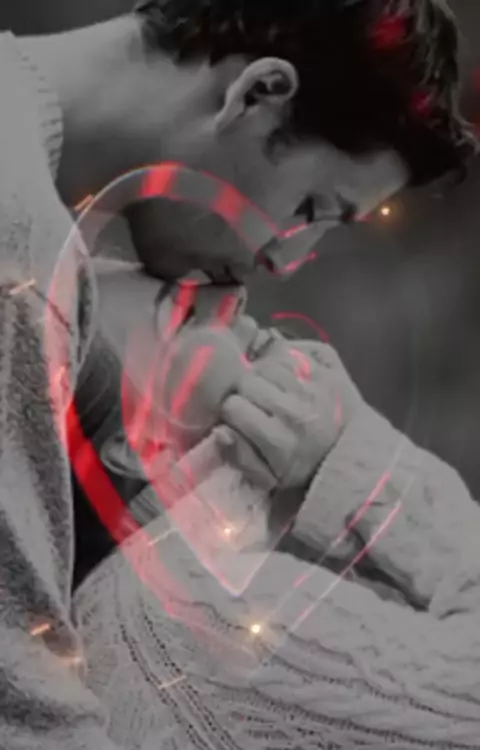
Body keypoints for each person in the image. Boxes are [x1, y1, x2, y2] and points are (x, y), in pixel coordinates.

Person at [0, 1, 477, 750]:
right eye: (311, 208)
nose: (284, 261)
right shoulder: (18, 234)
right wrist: (355, 465)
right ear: (258, 92)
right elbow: (24, 705)